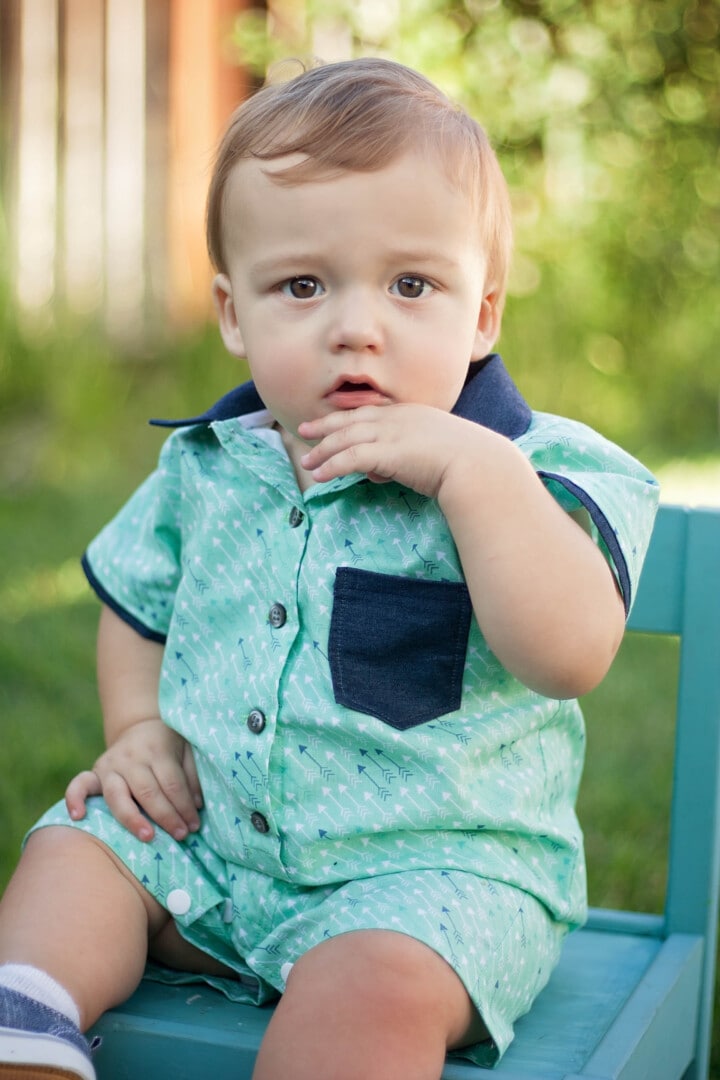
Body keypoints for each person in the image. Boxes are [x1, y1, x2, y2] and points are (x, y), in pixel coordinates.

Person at [0, 57, 659, 1080]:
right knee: (75, 845)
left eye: (411, 284)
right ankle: (28, 1027)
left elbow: (571, 653)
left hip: (435, 888)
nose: (357, 323)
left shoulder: (541, 472)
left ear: (481, 314)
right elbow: (136, 605)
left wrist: (470, 474)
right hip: (218, 853)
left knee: (370, 988)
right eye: (302, 285)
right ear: (234, 313)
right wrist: (138, 732)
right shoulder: (210, 464)